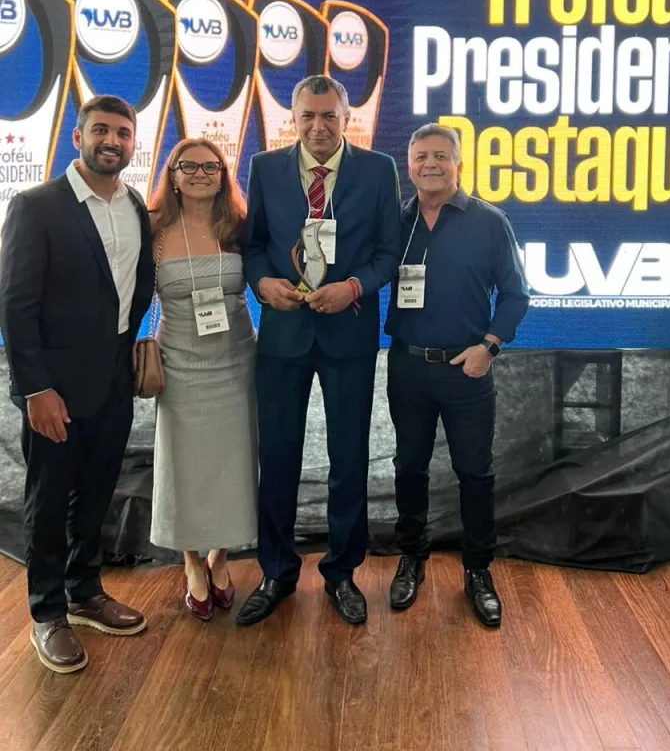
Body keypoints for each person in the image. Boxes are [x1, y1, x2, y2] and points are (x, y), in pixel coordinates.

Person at [237, 76, 400, 627]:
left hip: (348, 333)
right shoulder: (265, 168)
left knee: (348, 457)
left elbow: (387, 253)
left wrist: (353, 287)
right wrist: (263, 285)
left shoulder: (378, 170)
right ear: (293, 118)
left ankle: (342, 572)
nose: (318, 126)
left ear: (347, 117)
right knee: (278, 457)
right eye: (307, 116)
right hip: (283, 335)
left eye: (329, 116)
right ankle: (276, 572)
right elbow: (254, 247)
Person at [0, 95, 155, 673]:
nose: (112, 141)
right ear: (78, 137)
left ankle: (84, 592)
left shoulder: (135, 205)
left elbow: (135, 289)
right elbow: (15, 306)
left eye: (123, 133)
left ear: (133, 142)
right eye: (101, 130)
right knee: (48, 502)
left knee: (96, 492)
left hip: (113, 379)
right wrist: (35, 389)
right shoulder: (36, 206)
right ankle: (47, 613)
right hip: (55, 390)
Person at [384, 123, 529, 627]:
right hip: (407, 365)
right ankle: (411, 558)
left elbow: (516, 296)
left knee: (475, 473)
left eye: (441, 156)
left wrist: (489, 347)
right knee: (409, 468)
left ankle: (478, 570)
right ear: (409, 166)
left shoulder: (489, 221)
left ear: (459, 165)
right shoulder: (394, 221)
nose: (430, 164)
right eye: (421, 156)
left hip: (467, 370)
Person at [148, 138, 258, 620]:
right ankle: (191, 559)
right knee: (184, 465)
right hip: (178, 363)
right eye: (187, 166)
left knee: (234, 462)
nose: (199, 173)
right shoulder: (152, 228)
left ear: (223, 175)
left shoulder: (239, 226)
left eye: (210, 166)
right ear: (172, 175)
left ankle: (220, 555)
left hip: (235, 360)